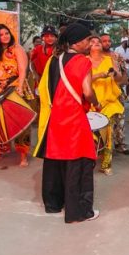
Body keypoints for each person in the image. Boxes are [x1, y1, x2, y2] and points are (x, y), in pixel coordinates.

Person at [33, 22, 101, 223]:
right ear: (79, 41)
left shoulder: (55, 59)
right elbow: (87, 92)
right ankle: (79, 211)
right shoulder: (83, 61)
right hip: (74, 118)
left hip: (55, 118)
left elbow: (47, 88)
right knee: (78, 161)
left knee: (56, 160)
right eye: (88, 40)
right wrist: (97, 103)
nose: (90, 43)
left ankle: (54, 204)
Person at [0, 23, 31, 165]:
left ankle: (23, 156)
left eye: (6, 33)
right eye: (1, 35)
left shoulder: (17, 49)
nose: (5, 37)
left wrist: (20, 87)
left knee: (20, 123)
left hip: (14, 89)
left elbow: (23, 70)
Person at [89, 36, 124, 175]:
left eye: (98, 42)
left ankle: (106, 164)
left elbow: (120, 77)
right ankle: (90, 159)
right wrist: (99, 75)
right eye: (93, 42)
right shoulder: (84, 61)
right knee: (90, 134)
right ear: (88, 46)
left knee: (107, 132)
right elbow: (80, 79)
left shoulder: (110, 60)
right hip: (90, 101)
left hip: (108, 102)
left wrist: (114, 74)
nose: (96, 44)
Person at [100, 34, 129, 154]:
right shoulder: (94, 57)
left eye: (109, 41)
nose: (107, 43)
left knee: (120, 119)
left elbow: (124, 75)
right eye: (104, 41)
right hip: (101, 92)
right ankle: (103, 146)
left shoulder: (117, 56)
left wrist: (121, 83)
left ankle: (120, 144)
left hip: (117, 92)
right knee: (104, 120)